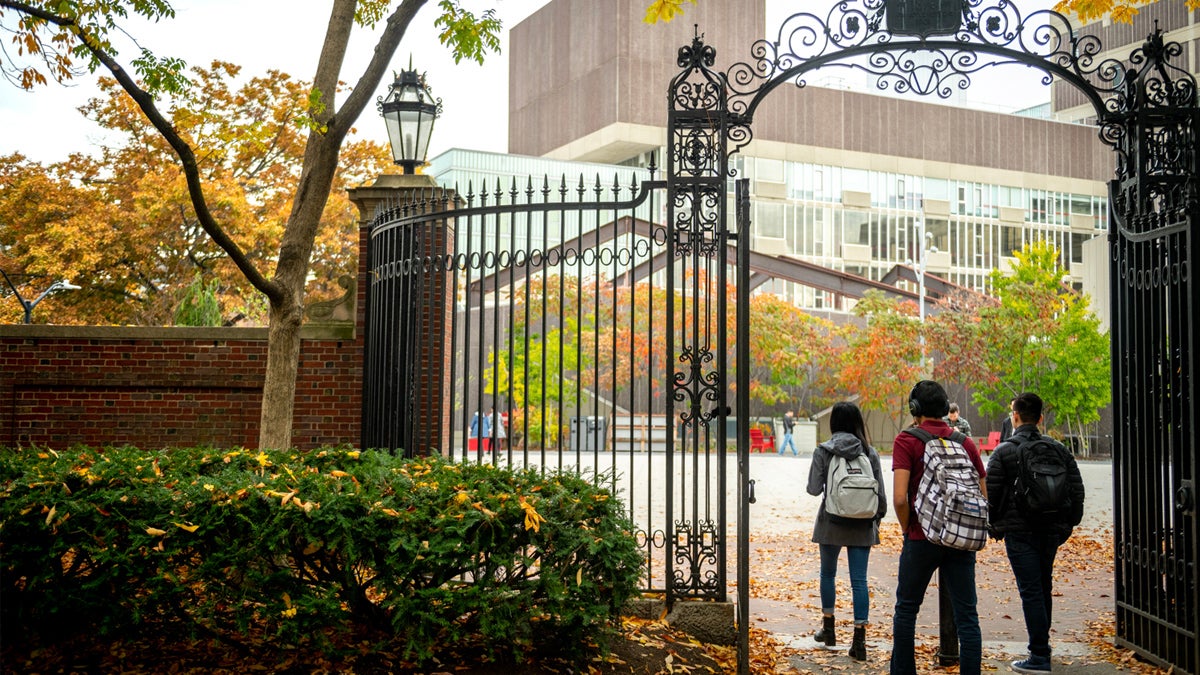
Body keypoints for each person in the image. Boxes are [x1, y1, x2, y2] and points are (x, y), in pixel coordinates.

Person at [891, 380, 987, 675]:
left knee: (907, 610)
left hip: (922, 537)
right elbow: (983, 494)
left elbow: (899, 498)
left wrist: (909, 529)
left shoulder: (907, 440)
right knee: (967, 616)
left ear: (914, 409)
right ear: (946, 408)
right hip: (959, 540)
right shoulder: (964, 442)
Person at [986, 393, 1085, 673]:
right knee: (1043, 587)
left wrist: (996, 526)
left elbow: (991, 494)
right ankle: (1042, 648)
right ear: (1040, 418)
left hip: (1020, 532)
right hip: (1051, 529)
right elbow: (1076, 491)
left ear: (1014, 416)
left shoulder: (1004, 452)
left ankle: (1039, 655)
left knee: (1031, 591)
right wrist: (1067, 526)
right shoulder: (1058, 449)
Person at [806, 402, 887, 661]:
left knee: (828, 574)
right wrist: (875, 518)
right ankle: (859, 641)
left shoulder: (824, 451)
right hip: (862, 524)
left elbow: (813, 488)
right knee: (859, 581)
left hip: (831, 522)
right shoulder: (869, 452)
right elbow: (881, 498)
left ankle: (828, 629)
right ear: (857, 423)